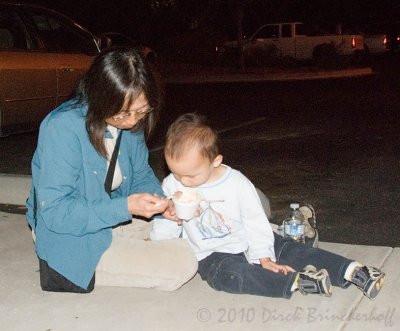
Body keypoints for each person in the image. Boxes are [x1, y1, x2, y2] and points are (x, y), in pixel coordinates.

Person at [150, 113, 385, 300]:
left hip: (251, 239)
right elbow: (166, 221)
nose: (182, 180)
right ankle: (298, 282)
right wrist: (162, 240)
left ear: (215, 161)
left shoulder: (236, 183)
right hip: (212, 253)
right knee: (227, 277)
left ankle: (354, 271)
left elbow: (255, 221)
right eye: (175, 172)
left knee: (293, 250)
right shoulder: (173, 184)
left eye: (190, 175)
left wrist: (263, 254)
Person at [26, 48, 197, 293]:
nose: (132, 121)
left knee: (198, 226)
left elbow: (140, 176)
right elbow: (55, 212)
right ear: (100, 97)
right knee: (182, 261)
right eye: (123, 113)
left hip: (109, 218)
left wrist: (163, 206)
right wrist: (125, 207)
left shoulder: (131, 125)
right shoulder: (62, 128)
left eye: (141, 111)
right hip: (70, 236)